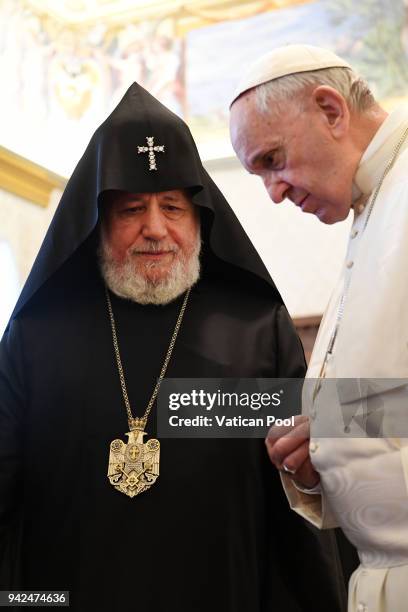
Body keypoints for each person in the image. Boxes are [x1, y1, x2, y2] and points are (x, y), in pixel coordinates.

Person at [0, 83, 345, 611]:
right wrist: (27, 602)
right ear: (97, 224)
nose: (155, 229)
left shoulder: (255, 329)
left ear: (201, 219)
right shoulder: (37, 335)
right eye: (132, 208)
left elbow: (305, 481)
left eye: (173, 208)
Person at [229, 44, 408, 612]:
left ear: (331, 110)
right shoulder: (373, 206)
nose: (274, 193)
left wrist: (334, 426)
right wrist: (323, 445)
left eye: (273, 160)